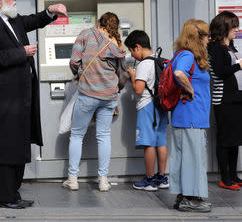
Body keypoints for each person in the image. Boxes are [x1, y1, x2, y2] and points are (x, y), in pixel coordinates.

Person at [0, 0, 67, 209]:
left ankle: (13, 193)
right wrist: (22, 52)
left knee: (18, 144)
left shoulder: (11, 18)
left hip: (19, 97)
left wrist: (50, 11)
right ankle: (3, 197)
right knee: (6, 147)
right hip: (3, 100)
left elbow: (32, 20)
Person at [62, 12, 127, 192]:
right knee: (103, 136)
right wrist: (117, 88)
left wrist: (80, 73)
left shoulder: (86, 34)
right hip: (109, 96)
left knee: (76, 135)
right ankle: (103, 181)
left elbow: (74, 61)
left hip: (88, 93)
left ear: (99, 22)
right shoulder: (117, 45)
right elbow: (123, 75)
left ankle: (73, 179)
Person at [169, 19, 211, 212]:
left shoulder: (182, 54)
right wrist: (191, 89)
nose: (209, 39)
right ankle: (192, 199)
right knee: (194, 157)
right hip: (191, 115)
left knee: (184, 157)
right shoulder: (187, 55)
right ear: (197, 37)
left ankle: (183, 195)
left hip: (186, 116)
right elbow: (179, 73)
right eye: (207, 36)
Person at [124, 30, 169, 191]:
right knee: (161, 142)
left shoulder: (144, 64)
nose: (132, 54)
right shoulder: (158, 61)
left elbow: (138, 89)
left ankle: (149, 180)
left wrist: (132, 75)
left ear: (137, 47)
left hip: (147, 107)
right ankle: (161, 177)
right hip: (161, 107)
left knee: (148, 144)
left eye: (131, 50)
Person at [208, 11, 242, 191]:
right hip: (224, 99)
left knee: (235, 138)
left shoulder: (230, 47)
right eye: (233, 26)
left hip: (236, 97)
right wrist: (239, 65)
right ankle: (225, 177)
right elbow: (220, 72)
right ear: (224, 27)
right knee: (225, 139)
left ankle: (233, 174)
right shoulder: (215, 48)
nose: (236, 30)